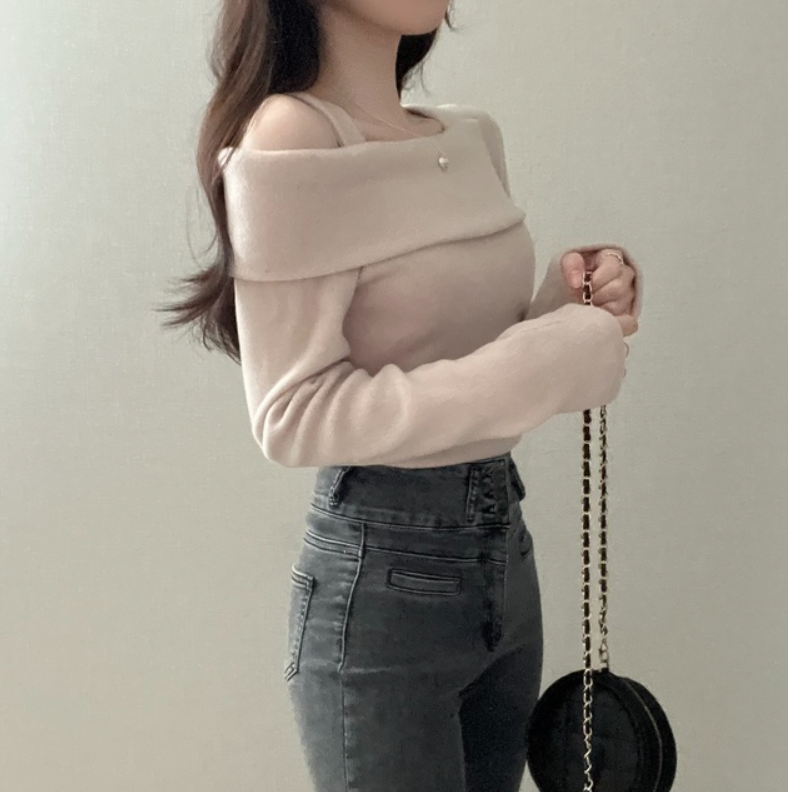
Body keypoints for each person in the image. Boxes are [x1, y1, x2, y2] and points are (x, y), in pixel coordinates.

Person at [160, 2, 641, 790]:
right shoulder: (292, 132)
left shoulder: (472, 135)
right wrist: (544, 360)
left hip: (505, 553)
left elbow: (470, 370)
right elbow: (292, 415)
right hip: (384, 574)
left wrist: (567, 307)